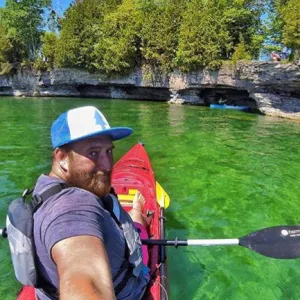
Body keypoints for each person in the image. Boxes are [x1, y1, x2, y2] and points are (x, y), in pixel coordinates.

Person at [32, 106, 149, 300]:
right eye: (94, 153)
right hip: (130, 291)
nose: (108, 164)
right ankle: (137, 211)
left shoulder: (44, 187)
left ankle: (136, 214)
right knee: (136, 225)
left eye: (109, 151)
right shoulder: (72, 207)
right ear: (62, 158)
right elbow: (85, 279)